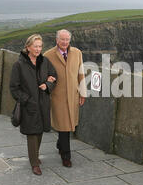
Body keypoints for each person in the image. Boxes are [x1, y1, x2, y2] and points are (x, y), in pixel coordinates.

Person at [9, 34, 57, 175]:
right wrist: (27, 99)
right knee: (32, 133)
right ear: (28, 47)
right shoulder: (19, 65)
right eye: (35, 46)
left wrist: (47, 85)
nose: (38, 49)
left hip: (43, 103)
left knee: (40, 130)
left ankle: (35, 156)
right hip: (29, 105)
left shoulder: (45, 61)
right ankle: (34, 163)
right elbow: (13, 88)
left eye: (40, 46)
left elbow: (54, 76)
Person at [44, 29, 86, 168]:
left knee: (68, 125)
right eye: (62, 39)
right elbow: (43, 75)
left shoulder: (77, 53)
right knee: (64, 125)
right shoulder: (48, 55)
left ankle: (60, 144)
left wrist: (83, 93)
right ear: (57, 40)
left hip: (73, 95)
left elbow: (81, 74)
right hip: (58, 97)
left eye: (67, 39)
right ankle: (66, 156)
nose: (65, 42)